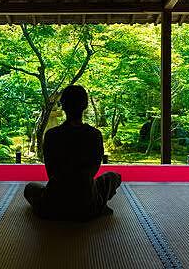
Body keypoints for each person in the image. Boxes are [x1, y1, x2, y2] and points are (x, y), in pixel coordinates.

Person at [24, 85, 122, 221]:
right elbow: (93, 172)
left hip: (53, 204)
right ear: (85, 105)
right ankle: (97, 207)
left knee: (30, 188)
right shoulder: (95, 135)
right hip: (88, 203)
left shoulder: (52, 135)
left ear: (62, 105)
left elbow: (51, 173)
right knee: (114, 177)